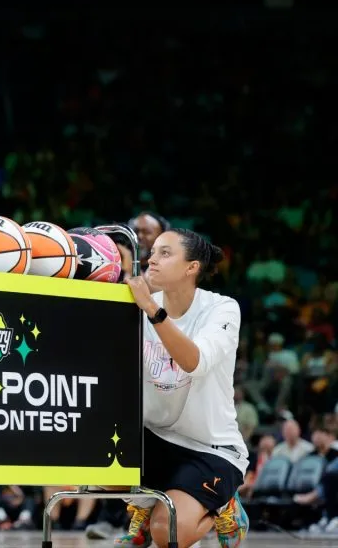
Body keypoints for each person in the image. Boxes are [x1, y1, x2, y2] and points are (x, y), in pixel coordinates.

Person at [115, 228, 250, 548]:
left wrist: (151, 309)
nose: (152, 259)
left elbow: (195, 361)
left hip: (209, 448)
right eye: (153, 252)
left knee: (167, 535)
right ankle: (145, 507)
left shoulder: (222, 308)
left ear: (192, 268)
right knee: (94, 450)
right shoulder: (135, 302)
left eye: (165, 253)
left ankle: (224, 505)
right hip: (154, 437)